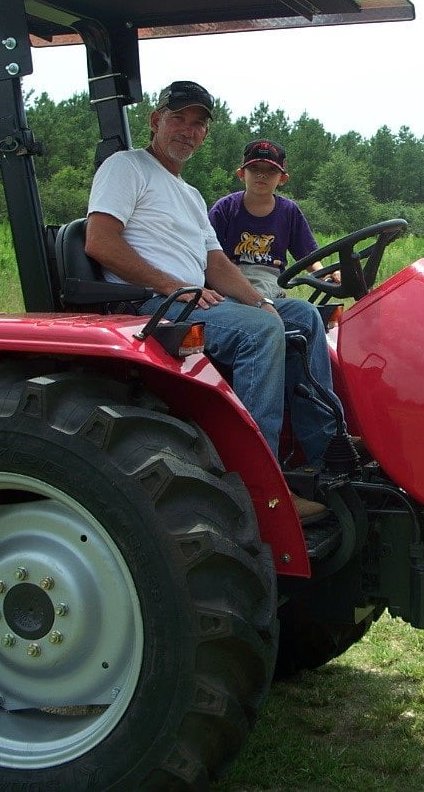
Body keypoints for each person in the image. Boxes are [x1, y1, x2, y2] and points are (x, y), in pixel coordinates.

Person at [84, 80, 337, 521]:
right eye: (178, 118)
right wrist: (170, 286)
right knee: (262, 332)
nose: (188, 129)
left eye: (198, 123)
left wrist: (262, 302)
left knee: (300, 315)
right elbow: (101, 243)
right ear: (156, 119)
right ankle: (262, 488)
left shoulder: (191, 194)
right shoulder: (127, 167)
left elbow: (216, 264)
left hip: (193, 298)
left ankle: (324, 449)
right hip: (150, 303)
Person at [208, 140, 334, 300]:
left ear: (283, 179)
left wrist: (326, 274)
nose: (262, 174)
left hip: (271, 278)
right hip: (232, 275)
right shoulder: (225, 208)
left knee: (309, 313)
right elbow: (208, 255)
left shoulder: (289, 211)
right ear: (241, 174)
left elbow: (307, 257)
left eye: (271, 170)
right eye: (254, 168)